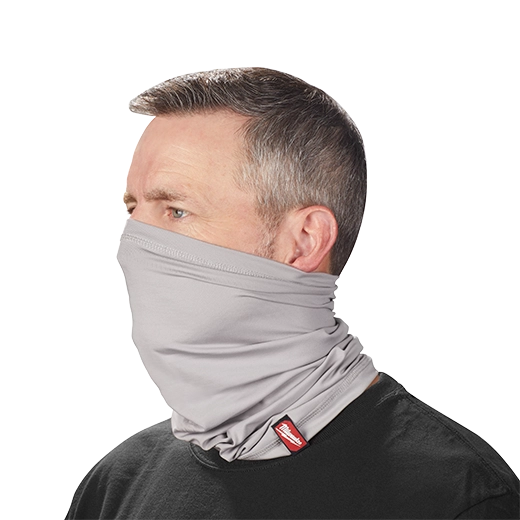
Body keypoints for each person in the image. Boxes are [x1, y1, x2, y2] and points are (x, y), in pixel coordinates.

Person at [65, 67, 520, 519]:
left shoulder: (457, 501)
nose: (134, 245)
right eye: (133, 210)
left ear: (304, 240)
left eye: (176, 211)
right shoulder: (117, 484)